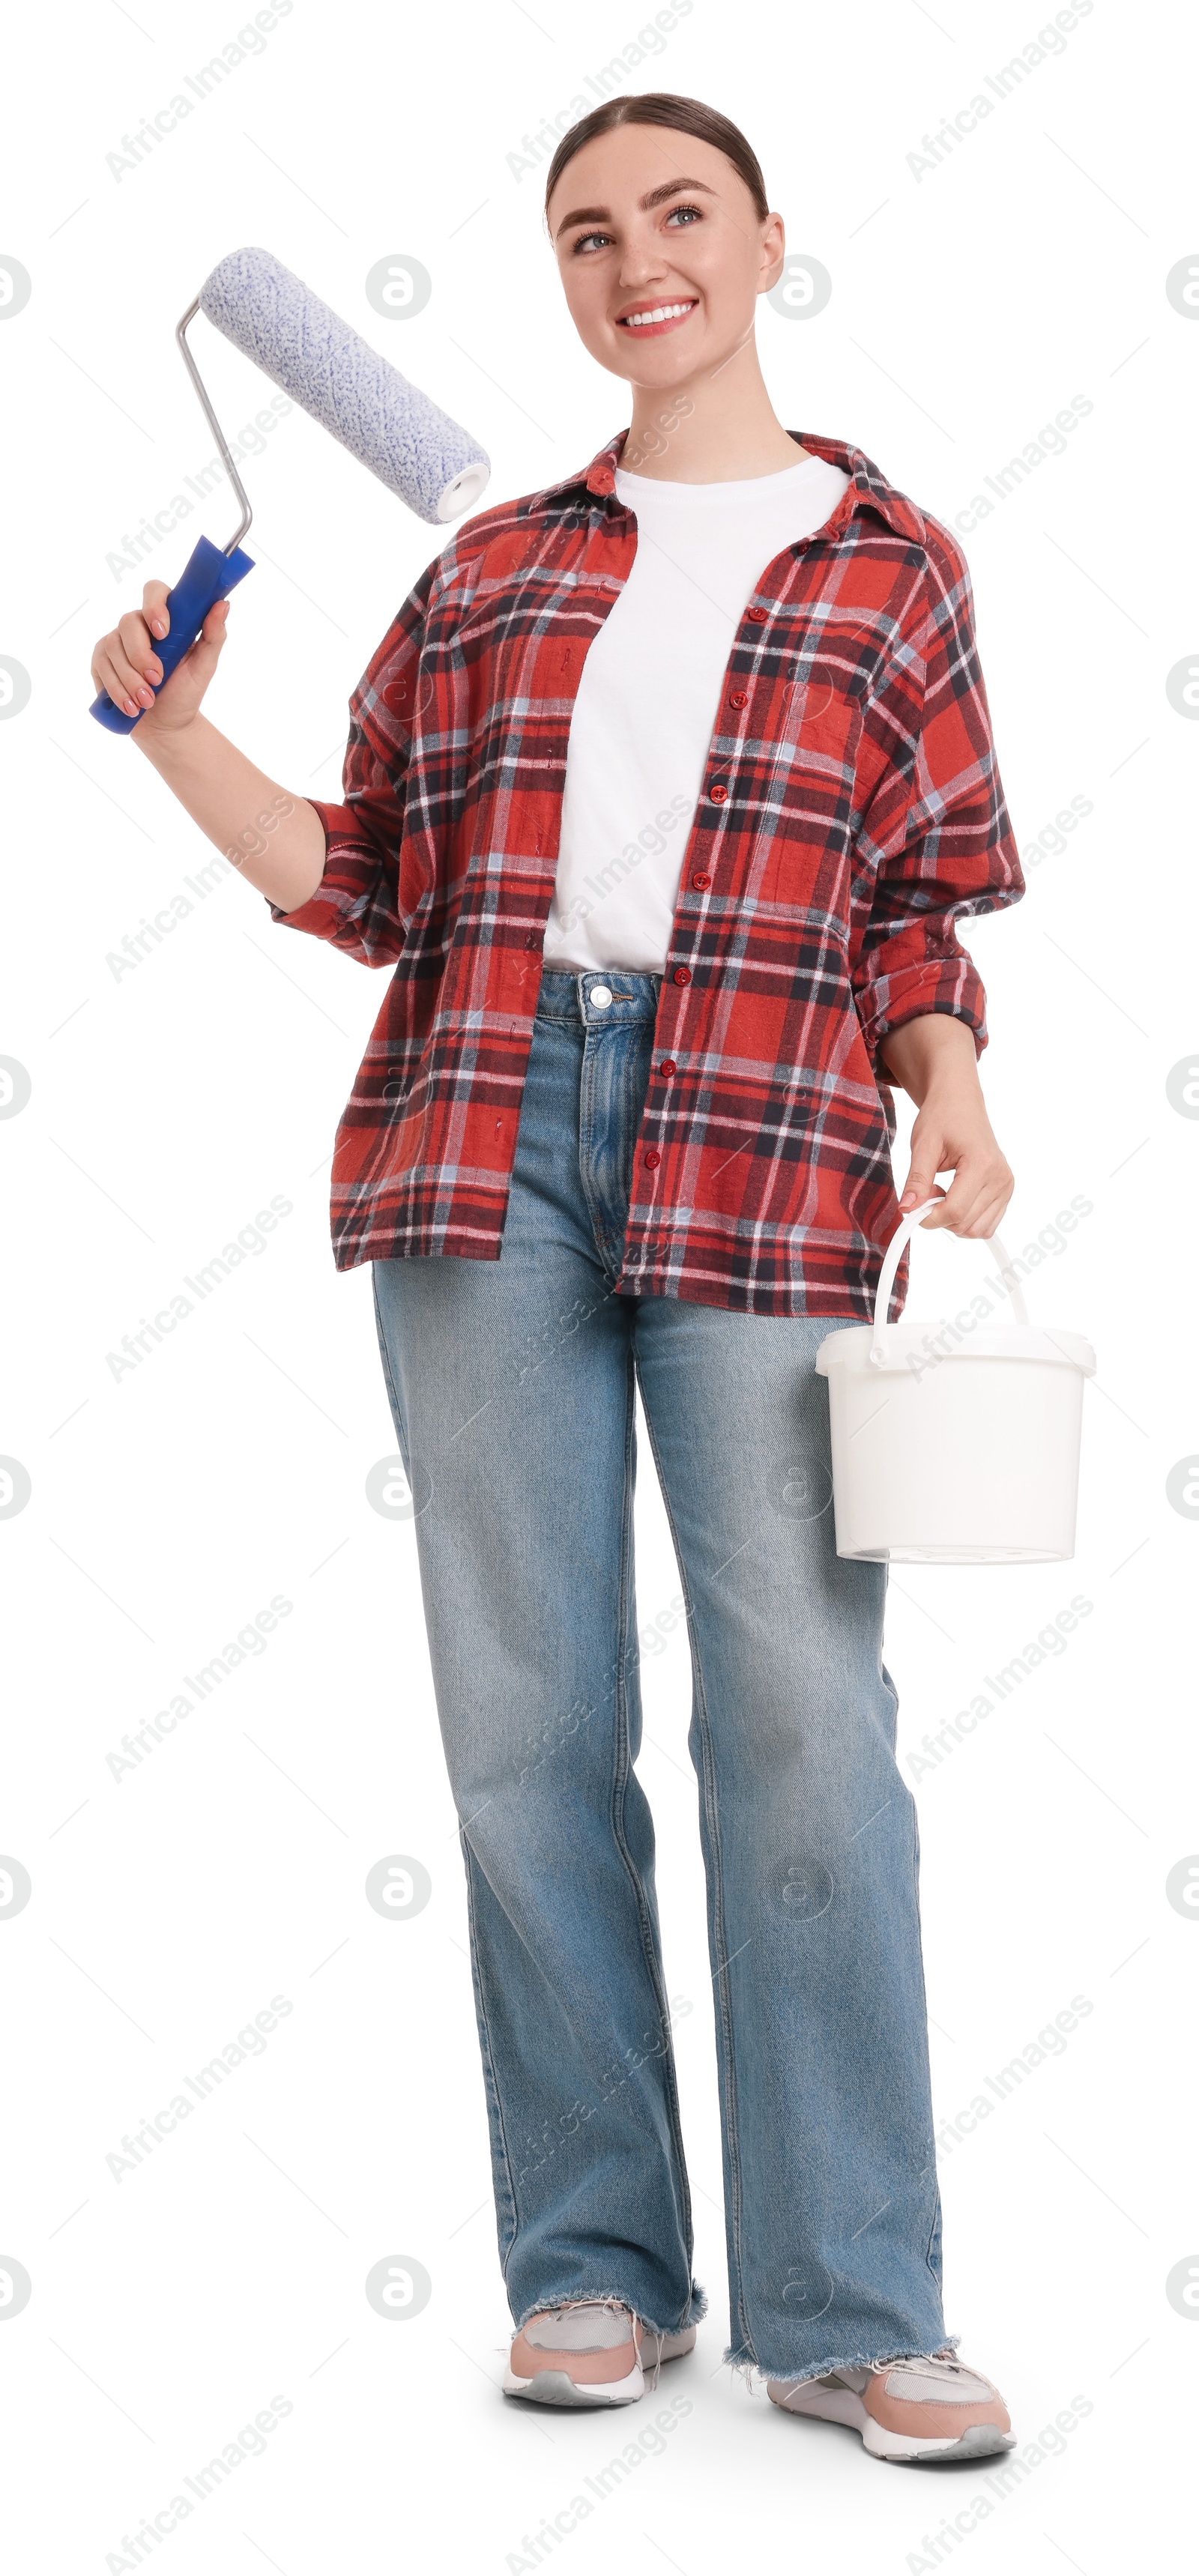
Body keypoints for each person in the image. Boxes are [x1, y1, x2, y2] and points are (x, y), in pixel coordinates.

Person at [91, 92, 1024, 2467]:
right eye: (590, 233)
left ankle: (851, 2301)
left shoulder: (892, 561)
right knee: (527, 1741)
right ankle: (595, 2265)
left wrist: (954, 1088)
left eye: (679, 215)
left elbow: (914, 901)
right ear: (568, 280)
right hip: (486, 1151)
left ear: (769, 243)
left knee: (804, 1722)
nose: (639, 263)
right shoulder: (498, 562)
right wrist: (180, 735)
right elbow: (363, 868)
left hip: (773, 1155)